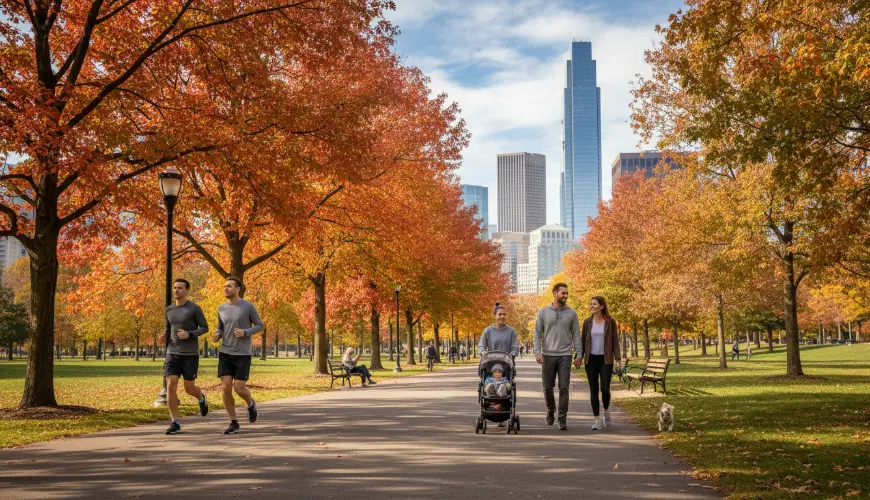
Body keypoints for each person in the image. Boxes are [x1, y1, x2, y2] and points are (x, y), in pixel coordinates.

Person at [212, 277, 264, 435]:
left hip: (243, 353)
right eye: (224, 286)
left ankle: (250, 403)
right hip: (225, 352)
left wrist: (245, 332)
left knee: (239, 388)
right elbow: (220, 327)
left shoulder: (247, 306)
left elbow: (260, 325)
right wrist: (217, 334)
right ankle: (233, 422)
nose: (225, 289)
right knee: (226, 386)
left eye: (229, 286)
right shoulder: (221, 308)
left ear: (238, 289)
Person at [163, 278, 210, 435]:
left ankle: (201, 397)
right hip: (172, 353)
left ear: (187, 291)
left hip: (190, 354)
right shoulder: (169, 310)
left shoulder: (194, 308)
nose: (176, 290)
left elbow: (204, 328)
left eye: (180, 288)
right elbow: (169, 328)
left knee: (189, 388)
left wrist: (189, 334)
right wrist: (164, 337)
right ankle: (175, 423)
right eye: (175, 287)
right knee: (171, 385)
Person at [534, 283, 583, 431]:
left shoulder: (572, 313)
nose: (566, 296)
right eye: (563, 293)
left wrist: (579, 354)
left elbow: (576, 334)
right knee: (547, 387)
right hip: (548, 355)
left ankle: (562, 418)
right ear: (555, 293)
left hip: (565, 355)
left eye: (567, 293)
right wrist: (537, 352)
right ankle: (550, 409)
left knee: (564, 388)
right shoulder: (543, 312)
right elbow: (537, 333)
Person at [581, 296, 620, 431]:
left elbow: (615, 341)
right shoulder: (587, 322)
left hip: (605, 359)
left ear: (602, 306)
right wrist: (579, 357)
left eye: (594, 304)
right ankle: (596, 419)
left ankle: (606, 410)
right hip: (591, 360)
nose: (591, 306)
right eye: (590, 304)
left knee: (605, 389)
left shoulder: (610, 322)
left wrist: (618, 359)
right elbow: (583, 340)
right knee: (593, 390)